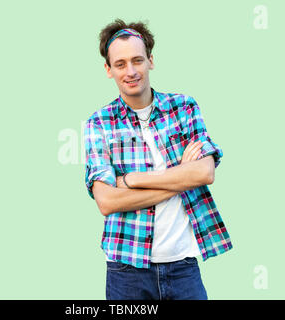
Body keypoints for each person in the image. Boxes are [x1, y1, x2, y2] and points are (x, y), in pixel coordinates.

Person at [84, 18, 233, 300]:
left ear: (150, 60)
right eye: (120, 64)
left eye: (137, 60)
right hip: (125, 269)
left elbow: (205, 173)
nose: (130, 71)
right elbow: (107, 201)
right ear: (108, 69)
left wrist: (130, 180)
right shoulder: (99, 123)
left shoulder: (184, 107)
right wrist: (180, 177)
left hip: (184, 267)